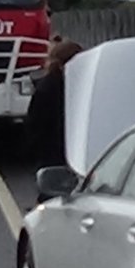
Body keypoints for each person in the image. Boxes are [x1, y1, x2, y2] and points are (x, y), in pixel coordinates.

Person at [24, 39, 82, 180]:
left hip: (51, 155)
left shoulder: (47, 86)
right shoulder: (59, 87)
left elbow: (33, 123)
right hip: (59, 154)